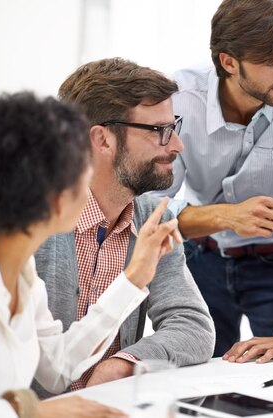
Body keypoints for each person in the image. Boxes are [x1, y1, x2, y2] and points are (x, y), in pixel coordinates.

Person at [0, 92, 181, 418]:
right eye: (82, 174)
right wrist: (30, 413)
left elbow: (58, 368)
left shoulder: (23, 273)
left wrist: (135, 277)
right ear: (54, 197)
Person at [149, 0, 273, 362]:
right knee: (194, 383)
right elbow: (149, 210)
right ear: (229, 62)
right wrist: (225, 215)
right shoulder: (179, 99)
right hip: (199, 259)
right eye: (272, 62)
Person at [32, 58, 215, 396]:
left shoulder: (151, 219)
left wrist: (124, 363)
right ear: (102, 140)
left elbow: (193, 326)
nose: (177, 145)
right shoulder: (29, 223)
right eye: (159, 131)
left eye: (173, 126)